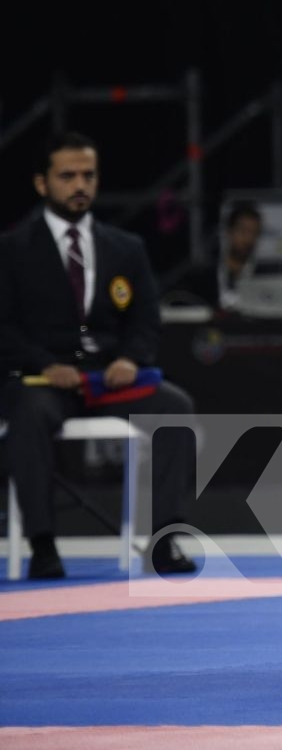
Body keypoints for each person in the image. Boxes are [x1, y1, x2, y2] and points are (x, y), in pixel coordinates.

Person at [0, 132, 197, 579]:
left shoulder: (125, 247)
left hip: (109, 377)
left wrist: (131, 358)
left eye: (87, 175)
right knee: (28, 415)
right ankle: (44, 545)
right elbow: (3, 326)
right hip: (41, 379)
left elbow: (146, 318)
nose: (79, 185)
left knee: (175, 407)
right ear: (41, 183)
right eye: (67, 176)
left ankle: (165, 541)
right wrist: (44, 365)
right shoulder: (11, 249)